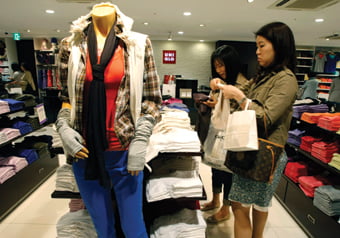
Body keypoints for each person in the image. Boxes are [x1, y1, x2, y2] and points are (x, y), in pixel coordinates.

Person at [55, 2, 162, 238]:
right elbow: (65, 98)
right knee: (103, 229)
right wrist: (63, 127)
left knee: (134, 228)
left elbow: (152, 100)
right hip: (84, 150)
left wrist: (141, 139)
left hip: (123, 148)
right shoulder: (69, 45)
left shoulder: (138, 44)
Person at [211, 22, 298, 238]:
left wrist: (240, 98)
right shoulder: (263, 76)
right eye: (256, 46)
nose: (257, 52)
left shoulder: (286, 80)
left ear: (278, 46)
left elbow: (265, 118)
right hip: (254, 150)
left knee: (240, 207)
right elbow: (238, 96)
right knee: (259, 205)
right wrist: (222, 87)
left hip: (264, 153)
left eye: (261, 46)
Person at [199, 45, 247, 223]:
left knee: (228, 173)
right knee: (214, 167)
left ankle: (226, 209)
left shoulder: (242, 83)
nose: (219, 69)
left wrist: (223, 90)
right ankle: (215, 200)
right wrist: (215, 97)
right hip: (218, 133)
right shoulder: (221, 80)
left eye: (222, 65)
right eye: (216, 66)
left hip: (233, 137)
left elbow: (241, 108)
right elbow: (219, 103)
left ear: (232, 63)